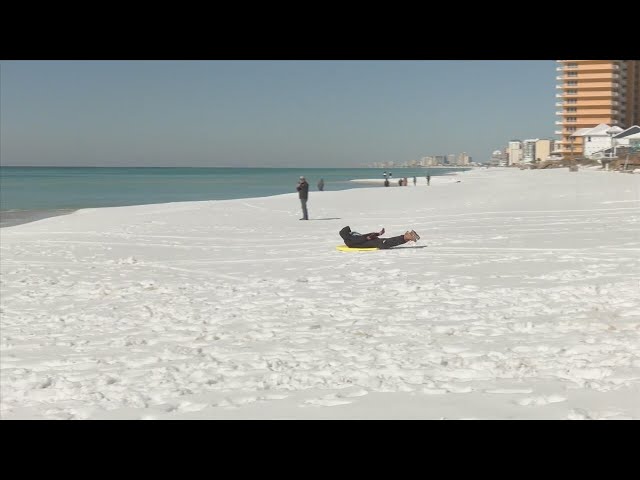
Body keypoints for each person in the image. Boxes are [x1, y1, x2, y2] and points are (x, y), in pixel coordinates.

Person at [339, 226, 420, 249]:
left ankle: (409, 236)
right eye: (349, 232)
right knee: (392, 241)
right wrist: (368, 238)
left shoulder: (351, 238)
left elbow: (365, 236)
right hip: (376, 244)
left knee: (391, 240)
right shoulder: (349, 241)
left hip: (376, 242)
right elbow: (362, 239)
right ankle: (408, 236)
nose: (351, 232)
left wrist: (378, 233)